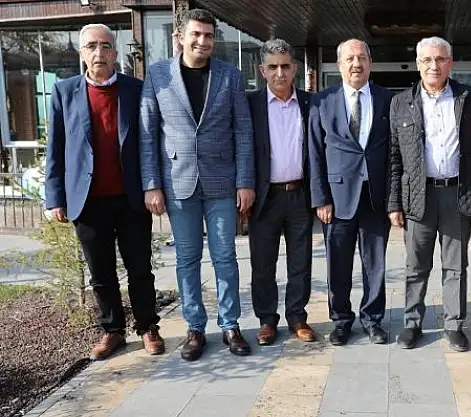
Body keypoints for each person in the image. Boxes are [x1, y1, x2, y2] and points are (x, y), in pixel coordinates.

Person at [139, 9, 255, 361]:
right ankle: (194, 328)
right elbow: (147, 134)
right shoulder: (158, 75)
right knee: (187, 259)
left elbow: (243, 132)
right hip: (178, 183)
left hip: (222, 182)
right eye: (196, 34)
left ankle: (230, 325)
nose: (203, 41)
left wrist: (245, 181)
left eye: (208, 36)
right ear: (180, 36)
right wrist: (151, 185)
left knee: (225, 257)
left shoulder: (230, 76)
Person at [45, 23, 164, 360]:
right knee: (101, 273)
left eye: (106, 46)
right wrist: (54, 197)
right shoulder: (64, 91)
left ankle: (148, 326)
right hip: (87, 201)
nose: (99, 53)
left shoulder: (135, 89)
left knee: (140, 268)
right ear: (81, 53)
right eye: (92, 46)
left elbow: (151, 141)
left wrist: (154, 186)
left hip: (130, 198)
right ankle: (113, 331)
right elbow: (56, 147)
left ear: (115, 52)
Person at [387, 37, 471, 351]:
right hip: (419, 196)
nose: (434, 65)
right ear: (418, 64)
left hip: (456, 194)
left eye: (441, 59)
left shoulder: (469, 98)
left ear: (450, 63)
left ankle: (454, 324)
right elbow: (394, 157)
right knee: (416, 266)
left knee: (455, 266)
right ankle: (412, 323)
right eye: (427, 60)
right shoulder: (401, 102)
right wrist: (394, 203)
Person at [308, 38, 393, 346]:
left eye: (361, 58)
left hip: (375, 197)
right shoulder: (322, 101)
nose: (356, 64)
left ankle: (372, 319)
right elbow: (314, 153)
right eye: (350, 59)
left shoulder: (387, 99)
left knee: (375, 264)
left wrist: (394, 200)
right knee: (338, 264)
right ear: (339, 65)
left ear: (370, 62)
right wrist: (320, 198)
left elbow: (393, 152)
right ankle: (341, 320)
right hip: (337, 199)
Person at [247, 38, 316, 346]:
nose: (280, 73)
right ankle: (267, 320)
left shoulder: (310, 103)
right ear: (262, 70)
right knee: (263, 263)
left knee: (300, 262)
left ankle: (298, 317)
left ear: (295, 68)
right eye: (272, 67)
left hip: (300, 194)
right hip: (265, 197)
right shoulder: (250, 105)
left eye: (285, 66)